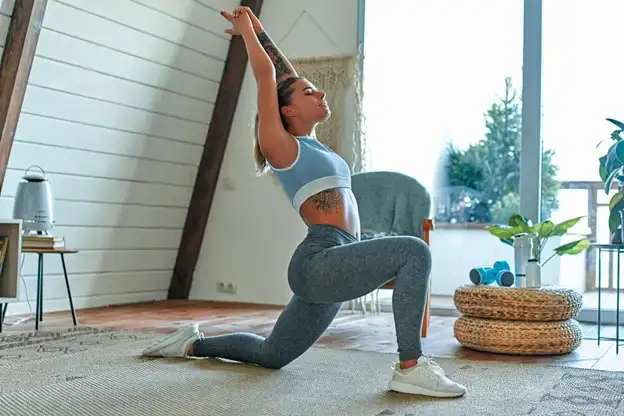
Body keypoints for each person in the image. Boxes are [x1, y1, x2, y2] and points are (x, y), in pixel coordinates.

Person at [142, 6, 467, 398]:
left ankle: (190, 343)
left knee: (272, 354)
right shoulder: (281, 146)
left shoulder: (313, 146)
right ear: (287, 110)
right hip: (319, 260)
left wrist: (260, 30)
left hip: (340, 259)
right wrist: (248, 35)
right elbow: (268, 76)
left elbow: (282, 72)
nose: (320, 92)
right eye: (309, 91)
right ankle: (410, 367)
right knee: (415, 251)